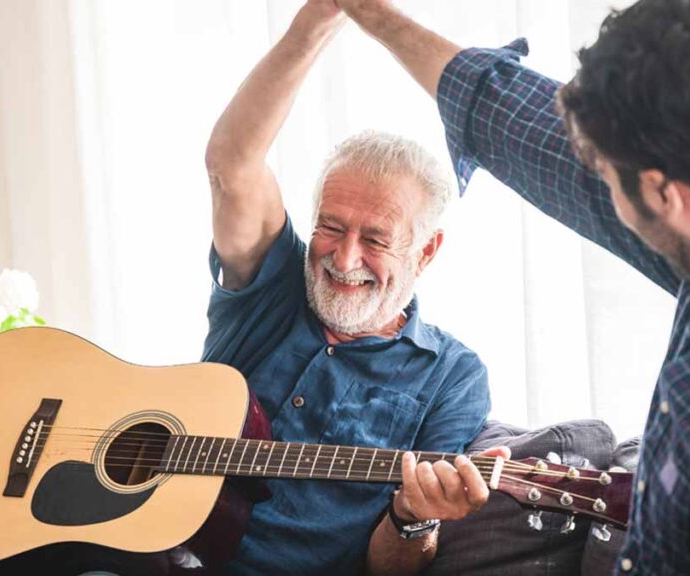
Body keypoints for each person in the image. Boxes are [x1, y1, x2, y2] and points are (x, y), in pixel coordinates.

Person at [333, 0, 690, 573]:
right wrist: (368, 12)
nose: (599, 193)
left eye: (609, 181)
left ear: (668, 195)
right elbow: (513, 118)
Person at [201, 1, 506, 574]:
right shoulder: (274, 286)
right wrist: (315, 21)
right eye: (331, 227)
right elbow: (231, 164)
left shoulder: (452, 376)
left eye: (375, 239)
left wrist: (415, 516)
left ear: (427, 251)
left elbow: (394, 567)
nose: (343, 258)